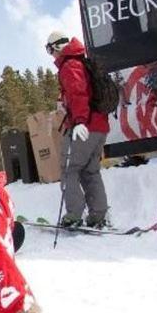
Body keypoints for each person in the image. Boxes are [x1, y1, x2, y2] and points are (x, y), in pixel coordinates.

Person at [46, 31, 110, 228]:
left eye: (49, 49)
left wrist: (80, 120)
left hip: (84, 127)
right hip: (99, 126)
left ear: (56, 46)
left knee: (69, 170)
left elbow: (78, 94)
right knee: (90, 171)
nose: (51, 55)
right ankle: (98, 215)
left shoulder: (70, 65)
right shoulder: (81, 61)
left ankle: (74, 214)